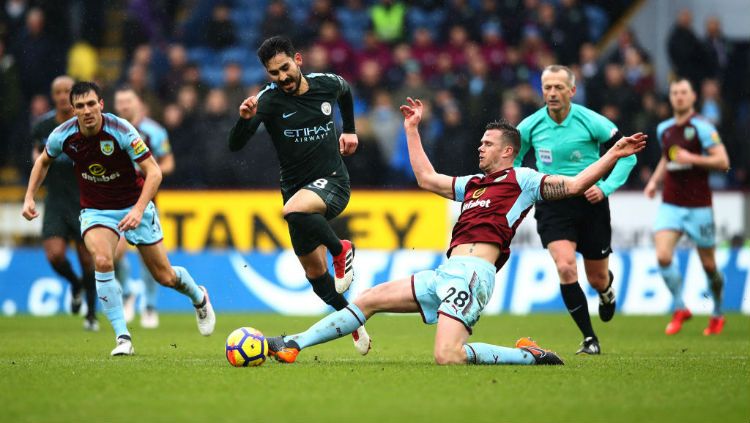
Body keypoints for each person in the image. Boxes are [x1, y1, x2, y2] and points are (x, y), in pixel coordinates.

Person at [264, 98, 646, 365]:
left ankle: (525, 355)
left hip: (474, 275)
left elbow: (576, 184)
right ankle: (294, 343)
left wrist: (613, 154)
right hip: (446, 272)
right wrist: (411, 129)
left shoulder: (524, 179)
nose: (480, 148)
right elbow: (427, 179)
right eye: (480, 142)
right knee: (368, 299)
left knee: (447, 356)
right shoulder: (474, 184)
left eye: (487, 144)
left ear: (509, 151)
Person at [22, 81, 215, 356]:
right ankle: (123, 337)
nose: (87, 110)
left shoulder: (121, 130)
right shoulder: (62, 135)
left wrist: (137, 210)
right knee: (102, 260)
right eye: (80, 106)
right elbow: (43, 161)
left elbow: (155, 172)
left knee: (165, 276)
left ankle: (199, 296)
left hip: (133, 204)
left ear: (101, 104)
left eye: (91, 104)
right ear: (73, 109)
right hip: (96, 210)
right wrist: (29, 196)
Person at [227, 36, 369, 354]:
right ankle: (353, 320)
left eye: (285, 68)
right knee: (315, 275)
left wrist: (350, 130)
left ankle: (341, 248)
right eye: (274, 73)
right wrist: (245, 119)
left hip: (332, 182)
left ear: (298, 60)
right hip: (295, 191)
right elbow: (235, 146)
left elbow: (345, 90)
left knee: (292, 210)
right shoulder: (268, 101)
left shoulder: (325, 84)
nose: (282, 77)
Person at [514, 65, 637, 355]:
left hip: (591, 203)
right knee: (566, 266)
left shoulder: (590, 121)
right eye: (547, 87)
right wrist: (529, 185)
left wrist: (605, 188)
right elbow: (515, 160)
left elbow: (627, 156)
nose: (552, 93)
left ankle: (606, 292)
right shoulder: (530, 125)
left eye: (558, 87)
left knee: (596, 278)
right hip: (552, 203)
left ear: (572, 90)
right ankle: (589, 338)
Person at [644, 77, 730, 336]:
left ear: (693, 97)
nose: (679, 97)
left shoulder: (702, 127)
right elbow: (665, 157)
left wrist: (691, 157)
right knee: (662, 256)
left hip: (698, 205)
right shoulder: (664, 129)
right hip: (671, 202)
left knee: (709, 266)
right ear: (670, 98)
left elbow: (723, 161)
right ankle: (680, 307)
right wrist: (653, 182)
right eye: (674, 93)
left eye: (684, 93)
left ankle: (716, 312)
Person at [30, 75, 98, 330]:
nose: (61, 96)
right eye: (57, 92)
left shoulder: (88, 125)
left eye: (65, 91)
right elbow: (39, 161)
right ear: (53, 95)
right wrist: (31, 196)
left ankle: (91, 315)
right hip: (57, 199)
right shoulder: (42, 127)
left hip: (84, 197)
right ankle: (75, 283)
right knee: (55, 255)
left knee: (87, 260)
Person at [113, 85, 175, 329]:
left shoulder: (153, 131)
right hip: (115, 200)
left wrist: (151, 170)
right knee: (113, 254)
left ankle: (149, 305)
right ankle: (127, 290)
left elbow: (168, 162)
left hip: (145, 200)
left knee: (147, 257)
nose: (124, 106)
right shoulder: (109, 131)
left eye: (128, 101)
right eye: (120, 102)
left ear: (137, 103)